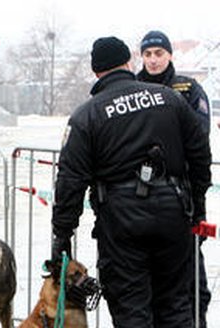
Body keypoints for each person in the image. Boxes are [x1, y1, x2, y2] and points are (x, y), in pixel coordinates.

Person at [51, 36, 211, 327]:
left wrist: (62, 235)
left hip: (121, 221)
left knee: (131, 307)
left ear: (96, 71)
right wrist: (197, 208)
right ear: (129, 62)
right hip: (173, 212)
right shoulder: (170, 99)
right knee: (176, 304)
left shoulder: (87, 115)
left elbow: (70, 181)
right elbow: (200, 155)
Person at [137, 30, 212, 327]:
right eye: (147, 54)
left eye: (158, 53)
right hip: (139, 199)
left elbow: (198, 136)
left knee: (193, 283)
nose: (153, 60)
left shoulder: (188, 89)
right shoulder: (131, 88)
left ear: (169, 55)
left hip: (182, 197)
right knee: (148, 286)